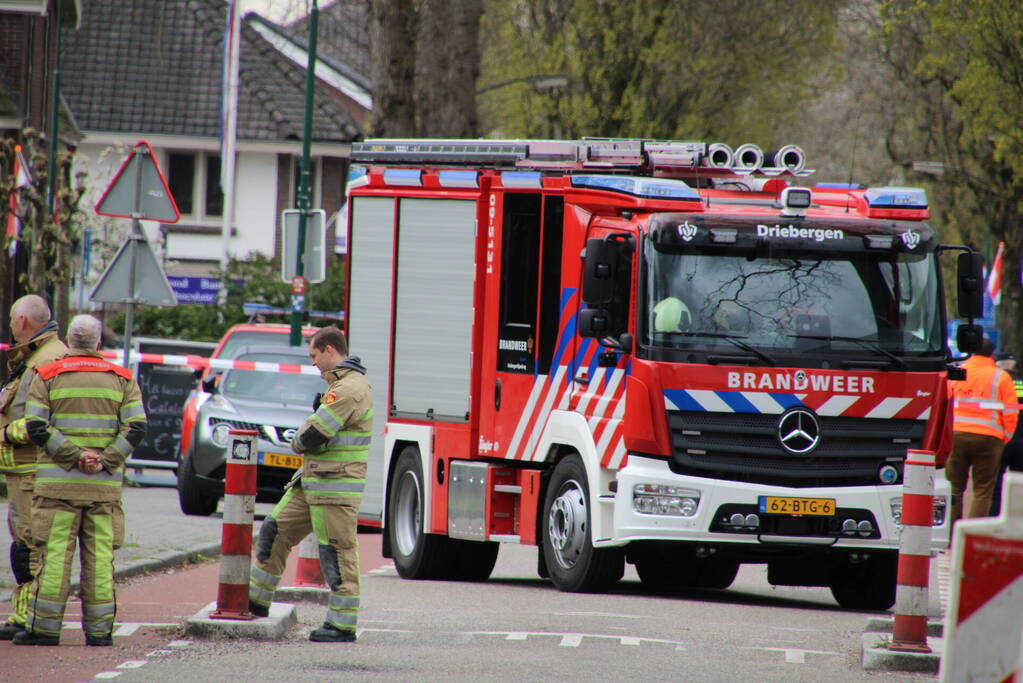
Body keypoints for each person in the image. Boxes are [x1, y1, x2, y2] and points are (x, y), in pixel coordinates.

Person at [10, 314, 147, 646]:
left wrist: (74, 456)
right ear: (99, 343)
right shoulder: (123, 378)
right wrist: (105, 458)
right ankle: (100, 632)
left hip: (57, 489)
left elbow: (36, 428)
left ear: (70, 342)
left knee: (55, 558)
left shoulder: (48, 375)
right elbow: (137, 427)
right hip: (103, 490)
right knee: (100, 559)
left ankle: (44, 628)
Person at [249, 325, 372, 643]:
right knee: (273, 532)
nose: (313, 362)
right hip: (313, 483)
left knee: (336, 553)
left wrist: (301, 435)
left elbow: (310, 437)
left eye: (315, 355)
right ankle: (255, 603)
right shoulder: (340, 387)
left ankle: (342, 625)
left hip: (334, 488)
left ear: (330, 351)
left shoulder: (348, 389)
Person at [0, 295, 66, 639]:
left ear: (23, 322)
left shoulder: (49, 359)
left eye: (12, 319)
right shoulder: (36, 356)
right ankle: (23, 616)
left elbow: (48, 421)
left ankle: (36, 619)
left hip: (34, 471)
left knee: (33, 549)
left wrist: (6, 434)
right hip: (21, 471)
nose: (10, 326)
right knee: (23, 548)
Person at [946, 337, 1018, 521]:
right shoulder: (1000, 376)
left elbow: (944, 404)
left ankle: (951, 535)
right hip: (989, 439)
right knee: (983, 491)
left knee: (954, 488)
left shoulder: (957, 371)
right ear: (992, 354)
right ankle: (971, 537)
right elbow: (1010, 411)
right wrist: (1005, 438)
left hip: (956, 435)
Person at [991, 351, 1023, 515]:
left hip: (1001, 438)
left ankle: (994, 518)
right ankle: (1017, 518)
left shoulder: (995, 384)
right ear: (1014, 364)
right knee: (1019, 484)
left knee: (995, 484)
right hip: (1021, 440)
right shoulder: (1021, 383)